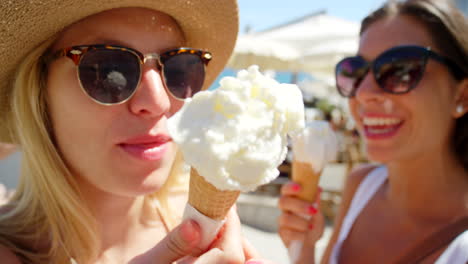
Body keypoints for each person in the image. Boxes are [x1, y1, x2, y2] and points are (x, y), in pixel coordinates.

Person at [0, 1, 269, 263]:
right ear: (40, 93)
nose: (158, 103)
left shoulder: (210, 228)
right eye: (109, 70)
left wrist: (301, 248)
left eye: (179, 69)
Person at [278, 0, 468, 263]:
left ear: (462, 96)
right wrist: (304, 247)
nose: (364, 93)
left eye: (399, 70)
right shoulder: (361, 185)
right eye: (356, 71)